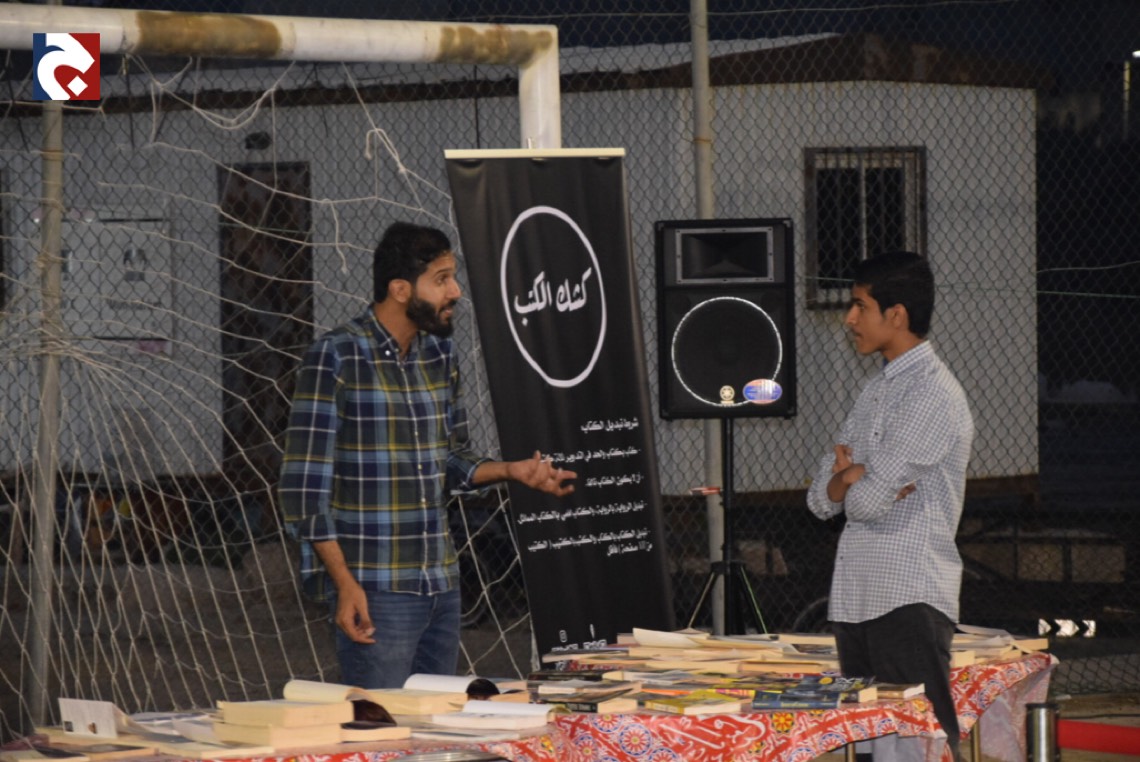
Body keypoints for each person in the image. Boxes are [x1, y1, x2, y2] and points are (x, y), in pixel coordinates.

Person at [280, 221, 576, 689]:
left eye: (452, 277)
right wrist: (345, 584)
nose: (455, 291)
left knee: (437, 719)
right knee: (384, 723)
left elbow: (451, 461)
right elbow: (303, 490)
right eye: (441, 280)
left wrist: (512, 471)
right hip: (376, 587)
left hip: (441, 584)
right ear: (400, 289)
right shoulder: (336, 356)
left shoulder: (439, 354)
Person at [806, 251, 974, 761]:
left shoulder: (933, 394)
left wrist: (854, 480)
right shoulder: (876, 389)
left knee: (912, 746)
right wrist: (850, 477)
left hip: (908, 598)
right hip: (856, 597)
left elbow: (865, 505)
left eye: (860, 306)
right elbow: (819, 499)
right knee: (872, 749)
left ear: (896, 315)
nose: (849, 318)